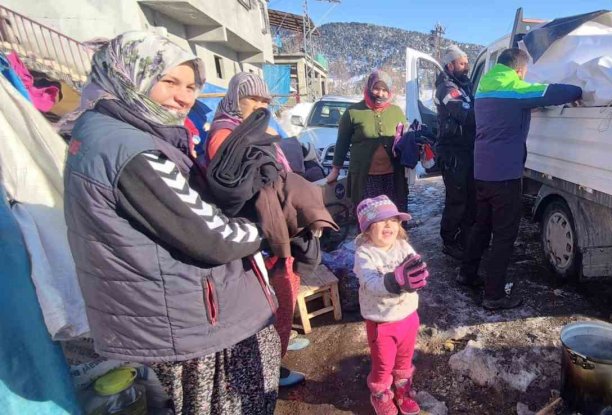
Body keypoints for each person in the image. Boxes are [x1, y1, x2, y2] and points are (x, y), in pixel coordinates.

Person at [62, 32, 278, 414]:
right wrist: (265, 228)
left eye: (191, 86)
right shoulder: (129, 150)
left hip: (176, 312)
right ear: (132, 76)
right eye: (169, 81)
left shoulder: (120, 133)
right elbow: (215, 237)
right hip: (182, 320)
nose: (184, 96)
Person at [205, 72, 313, 388]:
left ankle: (277, 349)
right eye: (251, 99)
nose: (260, 105)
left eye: (265, 100)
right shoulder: (226, 137)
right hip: (259, 238)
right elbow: (241, 193)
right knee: (274, 298)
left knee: (283, 295)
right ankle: (272, 371)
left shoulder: (253, 131)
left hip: (274, 229)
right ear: (234, 100)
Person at [459, 48, 582, 310]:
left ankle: (467, 274)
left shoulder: (485, 87)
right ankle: (493, 295)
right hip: (505, 175)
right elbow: (558, 92)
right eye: (524, 74)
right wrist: (579, 90)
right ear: (518, 71)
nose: (524, 78)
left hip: (482, 172)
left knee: (481, 226)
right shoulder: (514, 89)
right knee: (504, 235)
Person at [354, 195, 429, 415]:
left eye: (394, 220)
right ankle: (379, 393)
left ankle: (402, 388)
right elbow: (370, 283)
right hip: (382, 322)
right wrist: (395, 280)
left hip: (408, 317)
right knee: (384, 364)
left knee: (404, 360)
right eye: (381, 220)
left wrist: (419, 271)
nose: (389, 225)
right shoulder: (364, 253)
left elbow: (414, 264)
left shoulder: (402, 245)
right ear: (367, 229)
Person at [326, 71, 408, 213]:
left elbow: (403, 138)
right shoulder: (353, 112)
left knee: (392, 214)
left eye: (384, 90)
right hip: (365, 176)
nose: (380, 94)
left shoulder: (396, 112)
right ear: (369, 87)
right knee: (369, 215)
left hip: (392, 175)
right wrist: (335, 169)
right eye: (376, 88)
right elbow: (342, 142)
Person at [434, 45, 476, 260]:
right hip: (452, 153)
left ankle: (465, 239)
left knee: (469, 197)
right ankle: (449, 241)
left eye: (467, 62)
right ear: (450, 65)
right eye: (461, 63)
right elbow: (465, 114)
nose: (466, 66)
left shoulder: (464, 85)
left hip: (465, 151)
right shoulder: (446, 88)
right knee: (457, 199)